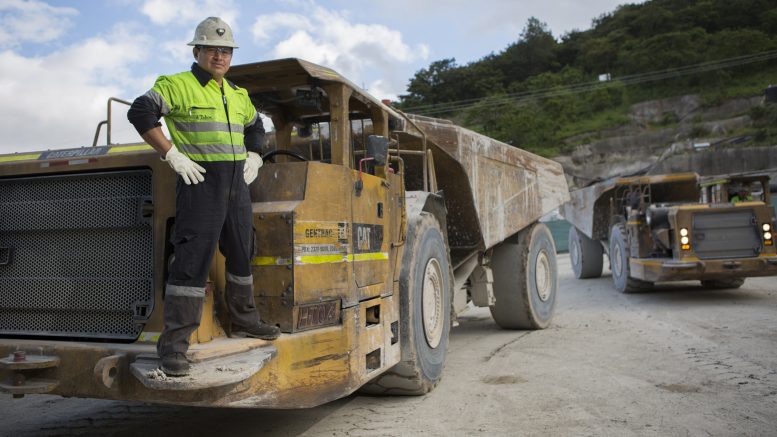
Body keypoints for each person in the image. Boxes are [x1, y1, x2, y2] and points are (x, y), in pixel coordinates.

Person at [127, 17, 279, 377]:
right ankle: (175, 346)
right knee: (192, 261)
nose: (220, 56)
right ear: (197, 51)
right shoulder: (176, 86)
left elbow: (256, 125)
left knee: (242, 252)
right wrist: (171, 154)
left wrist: (255, 155)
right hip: (200, 182)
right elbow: (140, 111)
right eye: (212, 49)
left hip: (236, 185)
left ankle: (245, 320)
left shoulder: (237, 94)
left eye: (226, 51)